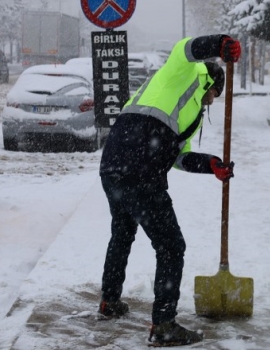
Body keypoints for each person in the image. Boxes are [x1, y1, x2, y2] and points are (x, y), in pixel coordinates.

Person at [97, 34, 241, 347]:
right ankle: (163, 325)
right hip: (141, 168)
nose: (213, 101)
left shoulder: (188, 114)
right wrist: (218, 45)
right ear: (211, 83)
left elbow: (179, 157)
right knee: (171, 246)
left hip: (114, 164)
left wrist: (211, 164)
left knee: (122, 233)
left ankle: (109, 301)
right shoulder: (184, 72)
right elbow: (184, 48)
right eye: (216, 94)